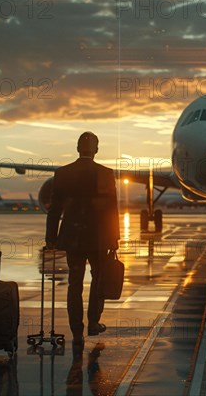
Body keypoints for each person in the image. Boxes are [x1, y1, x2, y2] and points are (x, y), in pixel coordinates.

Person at [45, 132, 120, 345]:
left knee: (74, 283)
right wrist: (114, 237)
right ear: (96, 150)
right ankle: (94, 323)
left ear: (77, 149)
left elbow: (54, 210)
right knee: (98, 280)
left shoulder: (62, 173)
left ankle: (76, 330)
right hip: (98, 239)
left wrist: (51, 238)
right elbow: (111, 210)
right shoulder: (106, 173)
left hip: (72, 238)